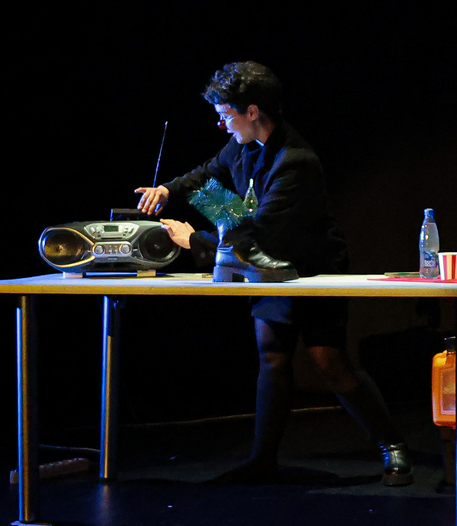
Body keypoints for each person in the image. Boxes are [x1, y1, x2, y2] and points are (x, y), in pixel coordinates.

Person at [136, 62, 412, 486]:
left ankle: (392, 446)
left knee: (329, 361)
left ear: (252, 111)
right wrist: (167, 190)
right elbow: (207, 174)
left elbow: (259, 232)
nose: (220, 123)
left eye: (226, 114)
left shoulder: (295, 161)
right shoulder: (241, 146)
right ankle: (262, 459)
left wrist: (195, 241)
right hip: (266, 263)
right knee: (271, 356)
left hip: (311, 268)